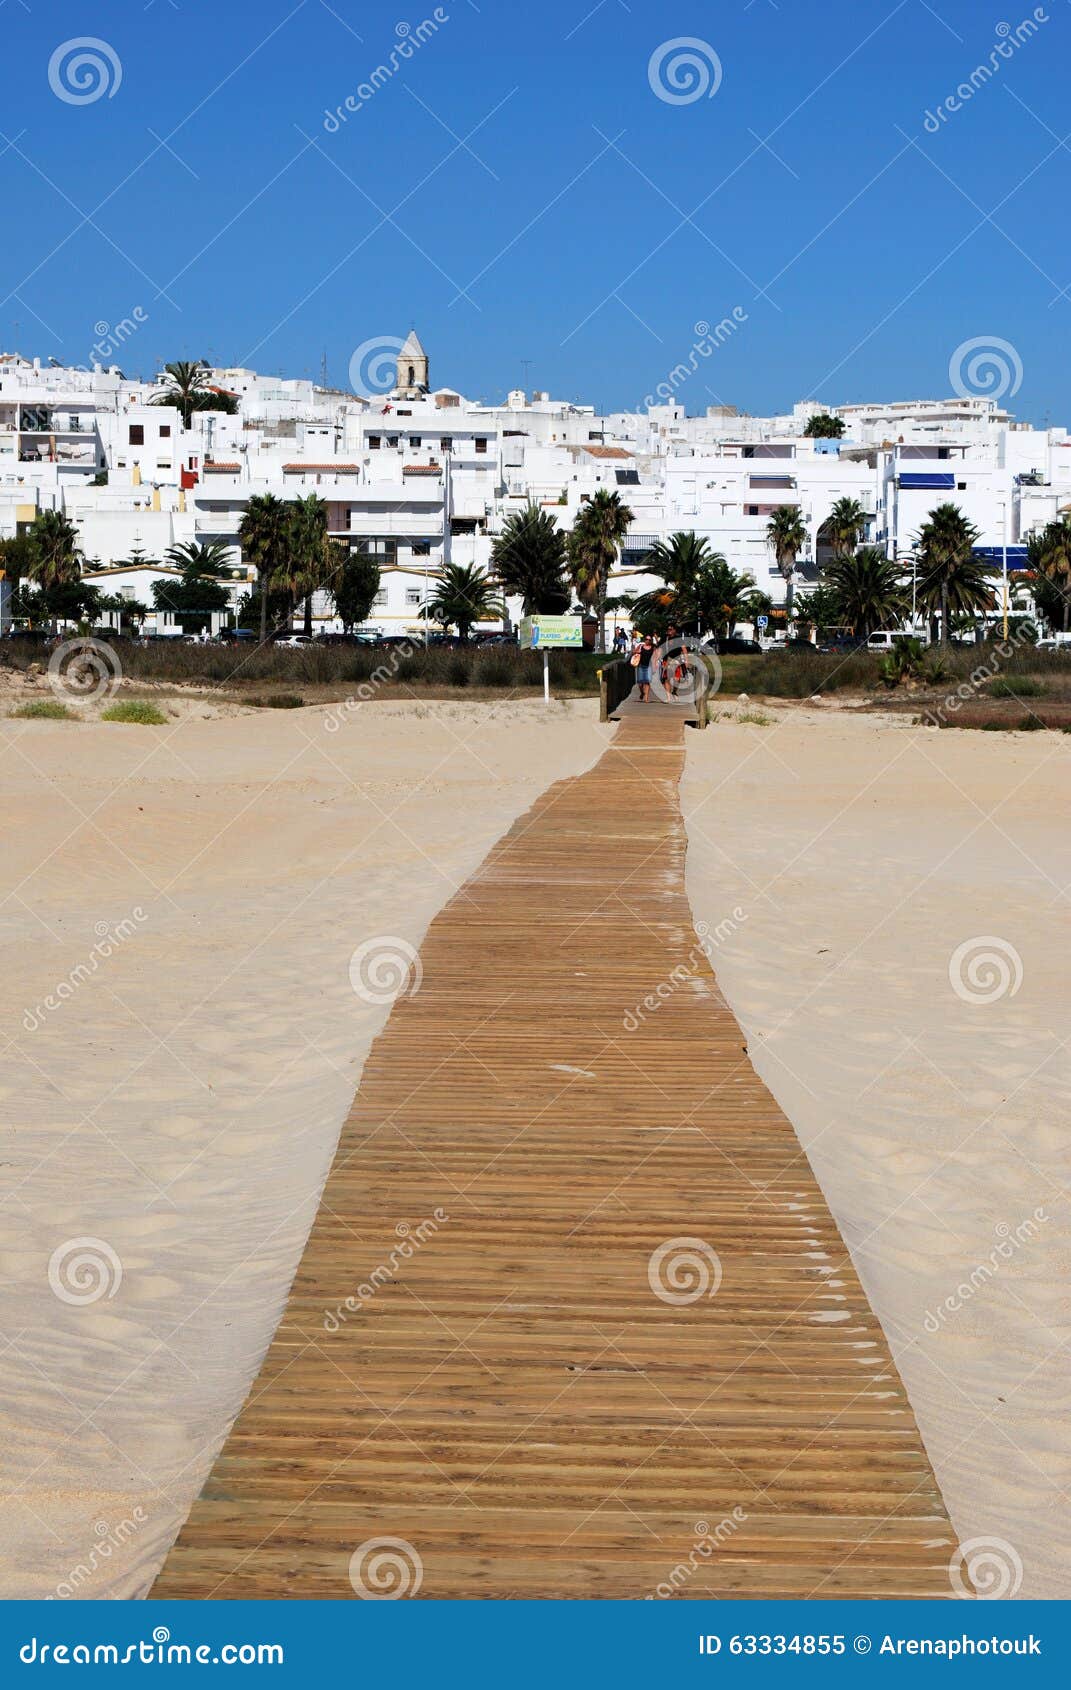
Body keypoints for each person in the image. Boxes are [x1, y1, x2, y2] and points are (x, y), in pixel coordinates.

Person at [635, 633, 654, 702]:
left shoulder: (652, 648)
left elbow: (655, 656)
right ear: (645, 640)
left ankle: (646, 698)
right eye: (647, 639)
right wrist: (637, 651)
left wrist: (655, 665)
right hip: (641, 665)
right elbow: (634, 652)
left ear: (651, 641)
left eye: (649, 640)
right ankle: (642, 693)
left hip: (649, 666)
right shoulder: (641, 646)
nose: (648, 641)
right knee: (640, 683)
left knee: (647, 682)